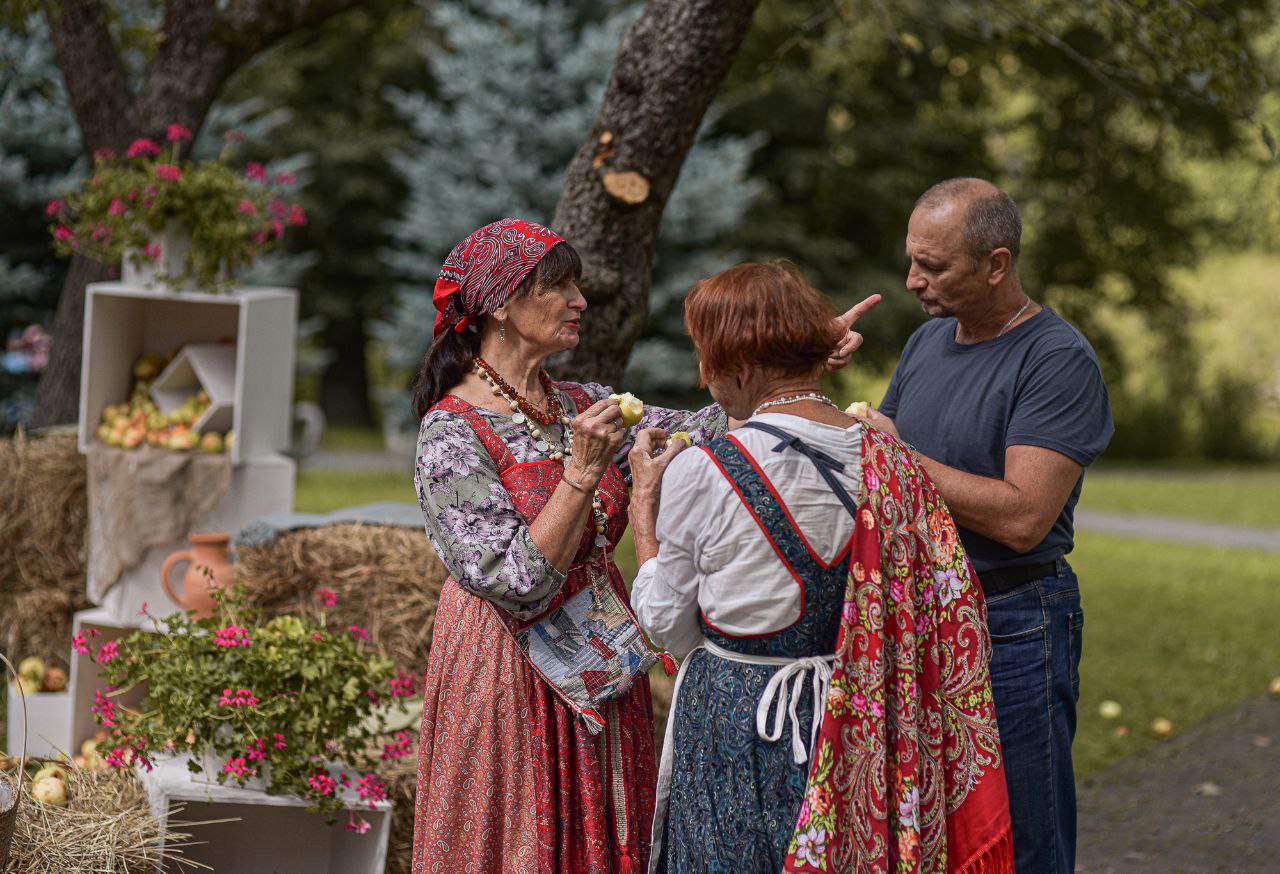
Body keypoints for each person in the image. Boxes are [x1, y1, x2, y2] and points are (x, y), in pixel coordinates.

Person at [409, 219, 870, 873]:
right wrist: (581, 473)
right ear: (502, 305)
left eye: (578, 286)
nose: (580, 301)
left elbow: (713, 424)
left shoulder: (581, 405)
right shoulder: (451, 434)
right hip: (509, 673)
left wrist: (792, 361)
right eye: (560, 287)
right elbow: (513, 583)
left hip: (601, 665)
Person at [630, 261, 1014, 874]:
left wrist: (642, 517)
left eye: (706, 357)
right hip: (860, 708)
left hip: (740, 716)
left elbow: (666, 626)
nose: (703, 377)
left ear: (741, 366)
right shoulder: (889, 458)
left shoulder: (703, 469)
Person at [863, 178, 1115, 874]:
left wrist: (899, 456)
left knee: (1024, 839)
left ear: (996, 264)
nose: (913, 279)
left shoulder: (1055, 358)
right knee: (937, 834)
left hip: (1013, 622)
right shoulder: (924, 343)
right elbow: (883, 473)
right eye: (913, 260)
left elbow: (1024, 517)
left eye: (933, 266)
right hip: (921, 617)